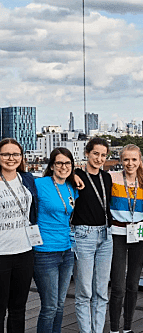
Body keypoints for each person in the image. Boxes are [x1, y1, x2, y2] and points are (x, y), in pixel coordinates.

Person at [33, 148, 79, 333]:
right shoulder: (39, 183)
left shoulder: (71, 187)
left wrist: (76, 178)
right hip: (45, 252)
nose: (63, 167)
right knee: (49, 306)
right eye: (59, 163)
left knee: (60, 304)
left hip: (66, 251)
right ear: (52, 165)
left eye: (67, 163)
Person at [71, 137, 113, 333]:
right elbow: (59, 172)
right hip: (83, 234)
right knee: (84, 291)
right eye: (95, 153)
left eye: (103, 155)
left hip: (106, 235)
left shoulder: (107, 177)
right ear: (87, 153)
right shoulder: (77, 175)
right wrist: (72, 174)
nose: (99, 158)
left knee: (102, 291)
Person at [109, 144, 143, 333]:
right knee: (118, 286)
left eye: (134, 159)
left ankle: (127, 327)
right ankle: (114, 329)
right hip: (117, 234)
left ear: (140, 161)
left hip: (139, 236)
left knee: (133, 284)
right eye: (126, 159)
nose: (130, 163)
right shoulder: (112, 178)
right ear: (121, 161)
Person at [0, 138, 37, 333]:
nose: (10, 158)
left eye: (15, 154)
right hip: (1, 253)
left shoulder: (27, 178)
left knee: (18, 309)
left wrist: (76, 178)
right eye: (5, 154)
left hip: (24, 252)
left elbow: (53, 180)